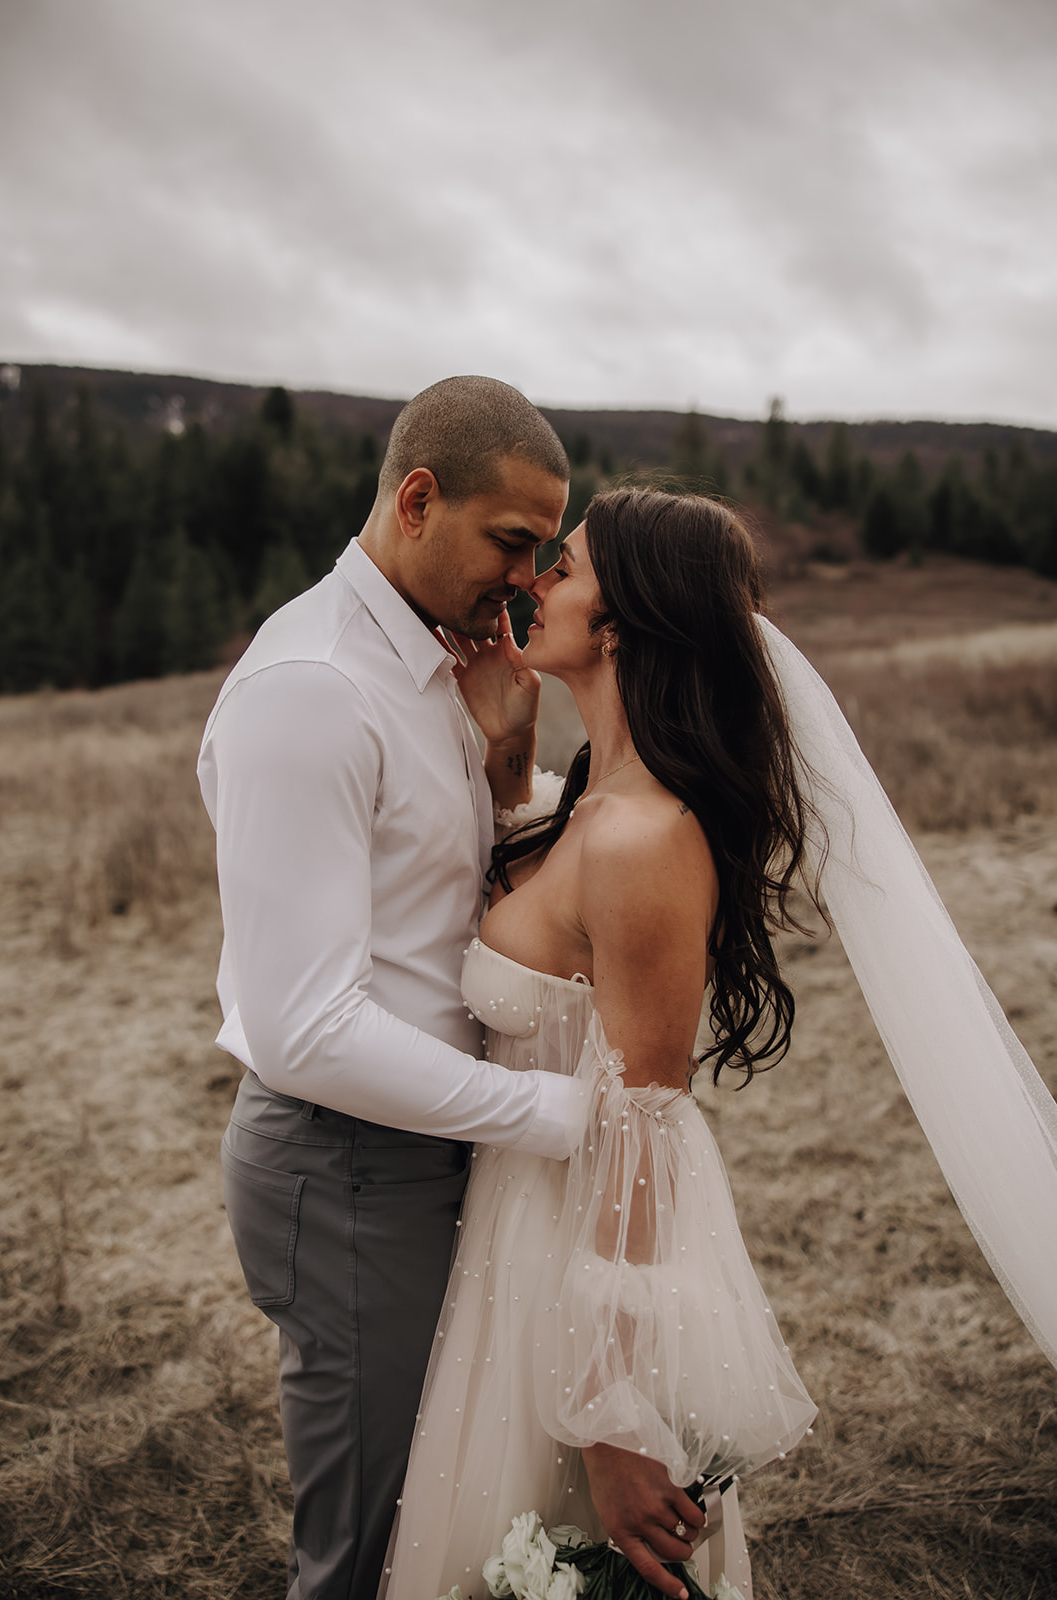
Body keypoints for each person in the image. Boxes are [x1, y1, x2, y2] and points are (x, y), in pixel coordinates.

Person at [380, 487, 1057, 1600]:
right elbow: (542, 921)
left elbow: (644, 1134)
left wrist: (604, 1416)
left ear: (624, 621)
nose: (532, 577)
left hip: (568, 1262)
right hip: (514, 1237)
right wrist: (509, 762)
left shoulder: (645, 840)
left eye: (569, 565)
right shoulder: (597, 802)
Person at [198, 376, 592, 1600]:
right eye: (512, 544)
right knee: (370, 1551)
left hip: (427, 1141)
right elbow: (307, 1027)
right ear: (417, 499)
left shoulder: (438, 669)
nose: (528, 581)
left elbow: (439, 887)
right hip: (348, 1165)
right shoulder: (312, 691)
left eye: (543, 553)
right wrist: (560, 1122)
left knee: (447, 1521)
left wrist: (509, 761)